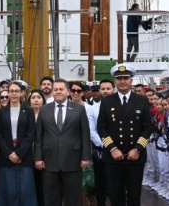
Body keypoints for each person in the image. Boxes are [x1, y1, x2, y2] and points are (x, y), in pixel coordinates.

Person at [95, 65, 151, 206]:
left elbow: (148, 127)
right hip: (113, 157)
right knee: (115, 196)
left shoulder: (142, 100)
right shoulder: (107, 101)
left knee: (134, 196)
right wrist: (113, 149)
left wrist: (137, 148)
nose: (122, 81)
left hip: (135, 157)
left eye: (126, 78)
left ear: (131, 80)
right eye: (119, 78)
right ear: (115, 81)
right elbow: (101, 127)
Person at [35, 78, 90, 206]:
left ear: (68, 91)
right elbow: (39, 136)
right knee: (51, 198)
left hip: (73, 161)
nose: (58, 92)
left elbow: (85, 135)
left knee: (74, 198)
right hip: (49, 161)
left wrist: (86, 157)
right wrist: (38, 158)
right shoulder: (44, 109)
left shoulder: (79, 109)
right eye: (56, 90)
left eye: (61, 89)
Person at [0, 81, 36, 206]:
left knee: (26, 191)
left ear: (22, 93)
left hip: (24, 156)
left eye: (17, 91)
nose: (13, 94)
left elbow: (30, 134)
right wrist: (8, 154)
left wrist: (19, 153)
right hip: (6, 157)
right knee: (8, 191)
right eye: (11, 91)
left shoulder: (28, 111)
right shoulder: (1, 112)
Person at [86, 80, 114, 206]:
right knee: (101, 182)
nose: (105, 91)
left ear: (113, 89)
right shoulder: (93, 108)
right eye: (103, 89)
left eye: (108, 88)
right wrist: (107, 145)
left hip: (121, 149)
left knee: (118, 183)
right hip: (102, 149)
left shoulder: (122, 105)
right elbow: (92, 131)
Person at [28, 90, 46, 206]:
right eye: (33, 97)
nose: (36, 99)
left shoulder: (48, 115)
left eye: (38, 97)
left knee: (43, 186)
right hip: (28, 157)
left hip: (45, 157)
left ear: (43, 100)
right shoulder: (25, 115)